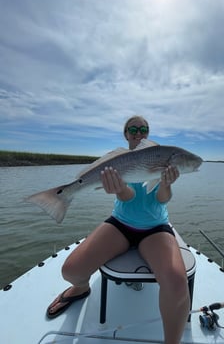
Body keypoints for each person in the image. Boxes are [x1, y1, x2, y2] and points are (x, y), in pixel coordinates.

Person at [46, 115, 190, 344]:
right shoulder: (118, 161)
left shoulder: (161, 158)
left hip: (155, 228)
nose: (138, 132)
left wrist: (166, 184)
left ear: (148, 133)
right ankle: (81, 288)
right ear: (125, 134)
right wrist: (120, 188)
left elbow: (163, 200)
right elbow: (129, 197)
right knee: (71, 271)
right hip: (121, 223)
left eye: (143, 128)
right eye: (133, 129)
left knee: (176, 283)